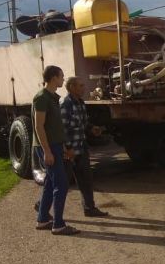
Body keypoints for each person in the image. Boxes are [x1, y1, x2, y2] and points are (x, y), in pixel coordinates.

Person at [33, 65, 80, 235]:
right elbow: (39, 126)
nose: (63, 79)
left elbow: (55, 127)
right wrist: (47, 151)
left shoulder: (52, 98)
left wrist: (64, 147)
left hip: (55, 145)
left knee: (50, 183)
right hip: (47, 146)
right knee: (60, 183)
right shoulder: (41, 98)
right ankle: (58, 224)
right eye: (61, 76)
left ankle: (43, 219)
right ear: (53, 78)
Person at [60, 76, 109, 217]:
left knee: (86, 180)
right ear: (72, 88)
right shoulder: (65, 104)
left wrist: (92, 128)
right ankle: (42, 205)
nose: (84, 88)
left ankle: (89, 208)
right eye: (81, 85)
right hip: (69, 151)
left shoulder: (80, 103)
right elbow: (62, 129)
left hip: (81, 148)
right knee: (62, 183)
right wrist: (68, 148)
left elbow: (83, 123)